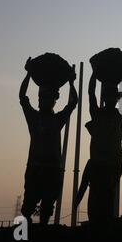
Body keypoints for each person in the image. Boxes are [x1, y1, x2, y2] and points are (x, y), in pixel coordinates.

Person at [19, 57, 77, 225]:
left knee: (46, 211)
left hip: (52, 170)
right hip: (35, 168)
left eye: (46, 98)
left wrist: (72, 83)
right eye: (40, 98)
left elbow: (73, 103)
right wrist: (28, 74)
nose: (42, 101)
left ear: (53, 100)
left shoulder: (57, 120)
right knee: (28, 207)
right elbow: (22, 97)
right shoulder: (34, 118)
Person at [82, 71, 122, 225]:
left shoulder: (119, 115)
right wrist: (93, 73)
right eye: (108, 96)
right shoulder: (96, 113)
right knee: (95, 202)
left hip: (111, 167)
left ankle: (104, 227)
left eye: (114, 97)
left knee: (107, 201)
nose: (111, 99)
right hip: (98, 165)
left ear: (116, 98)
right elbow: (91, 93)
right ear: (104, 98)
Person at [75, 136, 122, 224]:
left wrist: (76, 201)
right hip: (107, 196)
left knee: (95, 221)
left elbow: (83, 184)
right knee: (105, 222)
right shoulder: (113, 160)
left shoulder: (92, 162)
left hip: (96, 197)